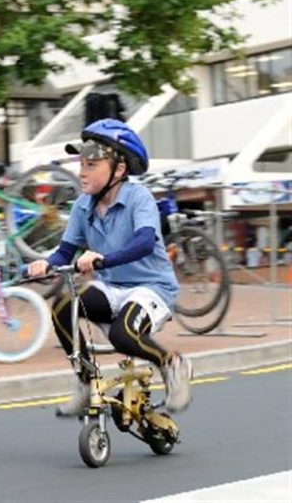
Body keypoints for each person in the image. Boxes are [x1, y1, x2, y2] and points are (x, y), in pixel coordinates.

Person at [26, 118, 192, 415]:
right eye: (81, 164)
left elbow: (143, 243)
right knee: (64, 307)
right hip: (113, 287)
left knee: (122, 335)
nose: (82, 172)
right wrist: (45, 264)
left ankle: (172, 363)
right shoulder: (83, 205)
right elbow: (65, 252)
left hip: (151, 288)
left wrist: (101, 260)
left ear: (119, 169)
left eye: (91, 164)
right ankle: (86, 381)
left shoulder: (138, 198)